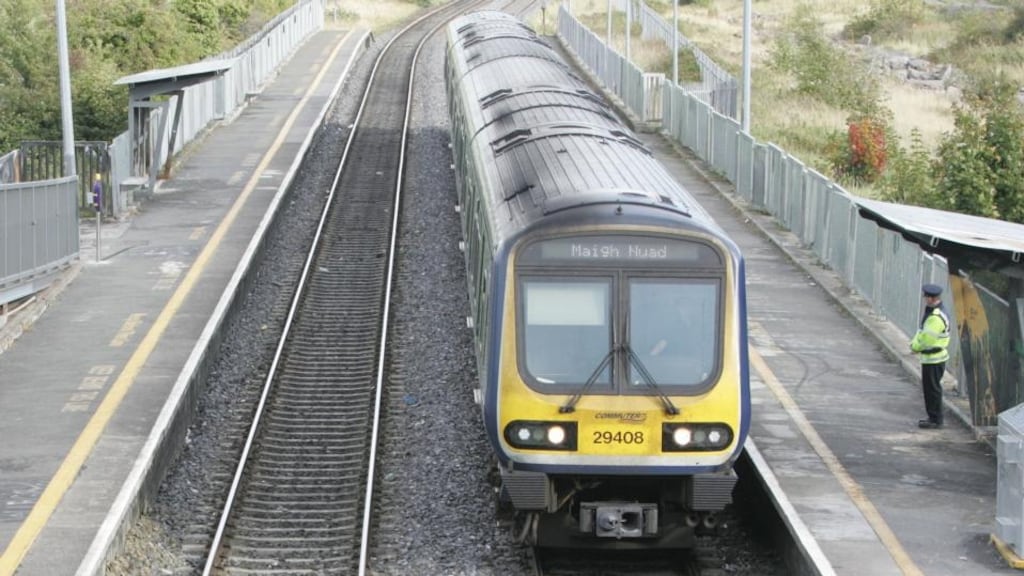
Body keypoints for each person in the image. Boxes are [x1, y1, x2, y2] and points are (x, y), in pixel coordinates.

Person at [910, 283, 950, 429]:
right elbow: (922, 333)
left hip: (934, 358)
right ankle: (933, 417)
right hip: (934, 358)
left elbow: (927, 339)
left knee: (932, 390)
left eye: (926, 297)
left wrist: (915, 347)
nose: (925, 299)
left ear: (931, 298)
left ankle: (935, 419)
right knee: (932, 388)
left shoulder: (935, 317)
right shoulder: (936, 313)